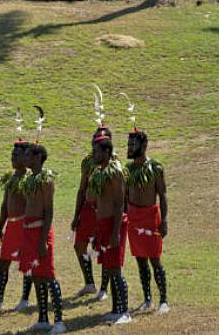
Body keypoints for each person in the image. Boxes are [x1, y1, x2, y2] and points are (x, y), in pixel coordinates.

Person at [19, 142, 67, 333]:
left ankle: (60, 321)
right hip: (28, 231)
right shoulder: (31, 178)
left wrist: (43, 239)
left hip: (40, 232)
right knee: (36, 276)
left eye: (28, 155)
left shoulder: (46, 179)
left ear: (38, 157)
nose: (25, 159)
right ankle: (43, 318)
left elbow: (48, 211)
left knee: (48, 276)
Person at [0, 140, 34, 312]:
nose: (12, 158)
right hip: (11, 227)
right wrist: (0, 227)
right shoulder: (10, 178)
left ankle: (25, 299)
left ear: (25, 157)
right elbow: (4, 204)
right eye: (12, 155)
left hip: (24, 225)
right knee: (3, 262)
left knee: (26, 262)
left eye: (16, 155)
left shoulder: (30, 179)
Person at [88, 135, 131, 324]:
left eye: (97, 151)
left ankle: (124, 312)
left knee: (115, 268)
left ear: (107, 152)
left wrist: (115, 232)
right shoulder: (99, 172)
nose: (93, 154)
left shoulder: (116, 171)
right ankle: (115, 309)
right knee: (109, 268)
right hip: (103, 224)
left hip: (115, 224)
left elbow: (121, 202)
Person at [126, 129, 169, 314]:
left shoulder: (156, 168)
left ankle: (164, 300)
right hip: (134, 218)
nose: (129, 148)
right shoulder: (128, 170)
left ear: (144, 146)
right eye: (128, 145)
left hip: (151, 217)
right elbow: (125, 195)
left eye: (133, 145)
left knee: (155, 259)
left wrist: (164, 220)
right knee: (140, 260)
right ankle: (147, 298)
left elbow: (163, 195)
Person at [70, 127, 110, 300]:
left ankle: (104, 288)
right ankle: (90, 283)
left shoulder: (113, 164)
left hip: (103, 210)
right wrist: (76, 215)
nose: (95, 143)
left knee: (104, 249)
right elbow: (82, 188)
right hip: (87, 210)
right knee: (79, 245)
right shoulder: (87, 162)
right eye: (94, 140)